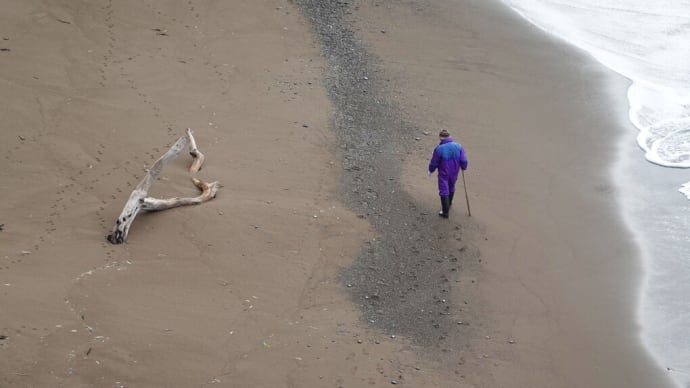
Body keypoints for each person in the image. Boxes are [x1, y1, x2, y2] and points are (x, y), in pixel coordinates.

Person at [428, 129, 468, 218]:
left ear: (440, 138)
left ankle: (445, 212)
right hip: (454, 172)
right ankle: (449, 203)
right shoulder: (459, 146)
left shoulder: (439, 149)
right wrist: (464, 167)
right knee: (451, 187)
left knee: (443, 189)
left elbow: (434, 162)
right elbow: (464, 160)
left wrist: (431, 170)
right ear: (449, 137)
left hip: (444, 172)